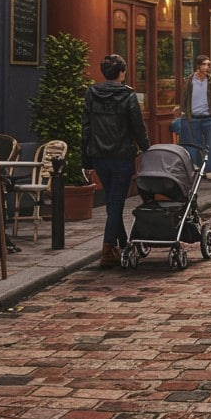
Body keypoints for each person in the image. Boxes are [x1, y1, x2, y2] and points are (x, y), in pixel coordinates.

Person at [82, 54, 151, 268]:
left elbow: (86, 128)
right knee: (116, 202)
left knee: (112, 201)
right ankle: (108, 248)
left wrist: (85, 160)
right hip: (122, 156)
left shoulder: (91, 93)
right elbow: (137, 127)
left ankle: (122, 242)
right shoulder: (128, 96)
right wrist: (148, 149)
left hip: (99, 155)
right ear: (121, 73)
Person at [182, 54, 211, 181]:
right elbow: (185, 97)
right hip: (193, 116)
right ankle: (196, 170)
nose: (207, 67)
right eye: (204, 64)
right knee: (194, 144)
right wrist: (183, 111)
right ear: (198, 66)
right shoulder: (189, 80)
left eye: (208, 65)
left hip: (208, 117)